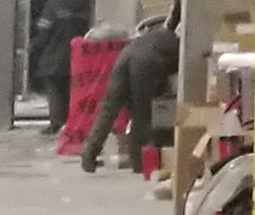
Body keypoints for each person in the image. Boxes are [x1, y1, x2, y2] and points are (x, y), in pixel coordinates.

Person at [77, 11, 180, 175]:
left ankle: (89, 152)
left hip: (126, 55)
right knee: (144, 113)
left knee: (109, 107)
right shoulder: (182, 42)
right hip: (148, 62)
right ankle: (141, 161)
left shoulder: (156, 36)